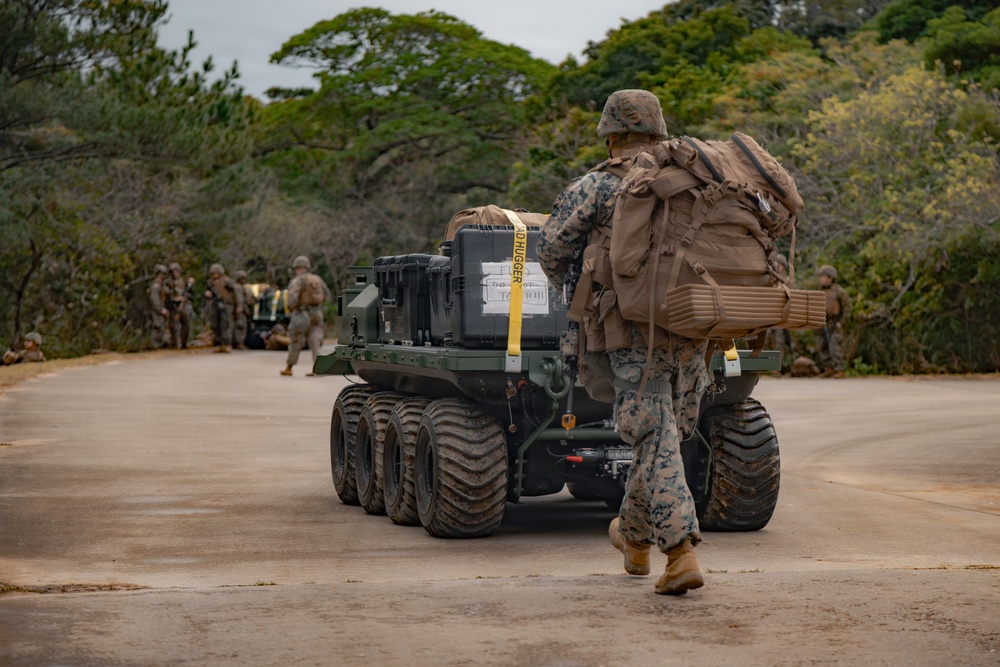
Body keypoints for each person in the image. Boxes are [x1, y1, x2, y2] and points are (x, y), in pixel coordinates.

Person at [537, 89, 707, 595]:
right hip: (695, 327)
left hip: (631, 330)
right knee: (663, 433)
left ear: (610, 135)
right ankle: (633, 540)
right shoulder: (695, 179)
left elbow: (550, 251)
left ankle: (680, 553)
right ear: (658, 133)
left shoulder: (595, 186)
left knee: (653, 434)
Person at [280, 255, 330, 376]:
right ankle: (319, 368)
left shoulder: (297, 281)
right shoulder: (317, 279)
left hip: (301, 314)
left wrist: (291, 309)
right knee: (315, 341)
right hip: (317, 313)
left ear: (297, 268)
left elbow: (292, 298)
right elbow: (327, 295)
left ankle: (289, 367)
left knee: (295, 340)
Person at [814, 265, 851, 378]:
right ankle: (828, 368)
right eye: (822, 277)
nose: (823, 279)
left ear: (831, 278)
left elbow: (848, 308)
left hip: (835, 322)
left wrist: (842, 322)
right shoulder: (820, 291)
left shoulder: (839, 291)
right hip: (822, 321)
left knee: (835, 344)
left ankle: (840, 369)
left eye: (825, 277)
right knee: (821, 344)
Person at [204, 263, 237, 353]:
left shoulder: (227, 281)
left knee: (225, 324)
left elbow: (234, 292)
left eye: (216, 273)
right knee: (215, 324)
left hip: (226, 304)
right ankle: (219, 344)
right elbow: (208, 291)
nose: (214, 275)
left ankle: (226, 344)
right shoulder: (210, 282)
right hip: (214, 304)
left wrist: (236, 305)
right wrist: (207, 294)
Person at [167, 262, 194, 349]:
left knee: (186, 325)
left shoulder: (184, 281)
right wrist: (174, 299)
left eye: (176, 271)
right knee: (174, 327)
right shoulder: (168, 283)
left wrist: (191, 283)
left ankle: (184, 343)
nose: (175, 273)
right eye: (173, 271)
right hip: (174, 306)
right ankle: (175, 344)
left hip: (184, 306)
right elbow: (166, 295)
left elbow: (190, 291)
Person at [149, 264, 170, 349]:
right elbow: (155, 300)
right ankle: (155, 346)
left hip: (161, 310)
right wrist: (161, 310)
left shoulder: (162, 286)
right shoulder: (156, 286)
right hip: (157, 311)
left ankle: (159, 346)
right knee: (157, 327)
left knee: (162, 328)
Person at [232, 270, 252, 350]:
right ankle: (239, 343)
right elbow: (240, 299)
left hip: (242, 308)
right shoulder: (237, 287)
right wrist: (240, 307)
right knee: (240, 326)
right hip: (239, 309)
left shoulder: (242, 287)